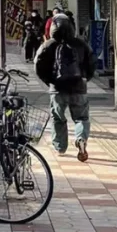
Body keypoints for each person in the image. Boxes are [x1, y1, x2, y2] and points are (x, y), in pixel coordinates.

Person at [35, 13, 96, 161]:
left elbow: (38, 65)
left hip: (57, 88)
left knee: (58, 118)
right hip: (78, 87)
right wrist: (84, 78)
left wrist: (49, 80)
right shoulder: (81, 44)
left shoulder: (48, 45)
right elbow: (92, 63)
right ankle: (81, 138)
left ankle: (60, 147)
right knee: (81, 117)